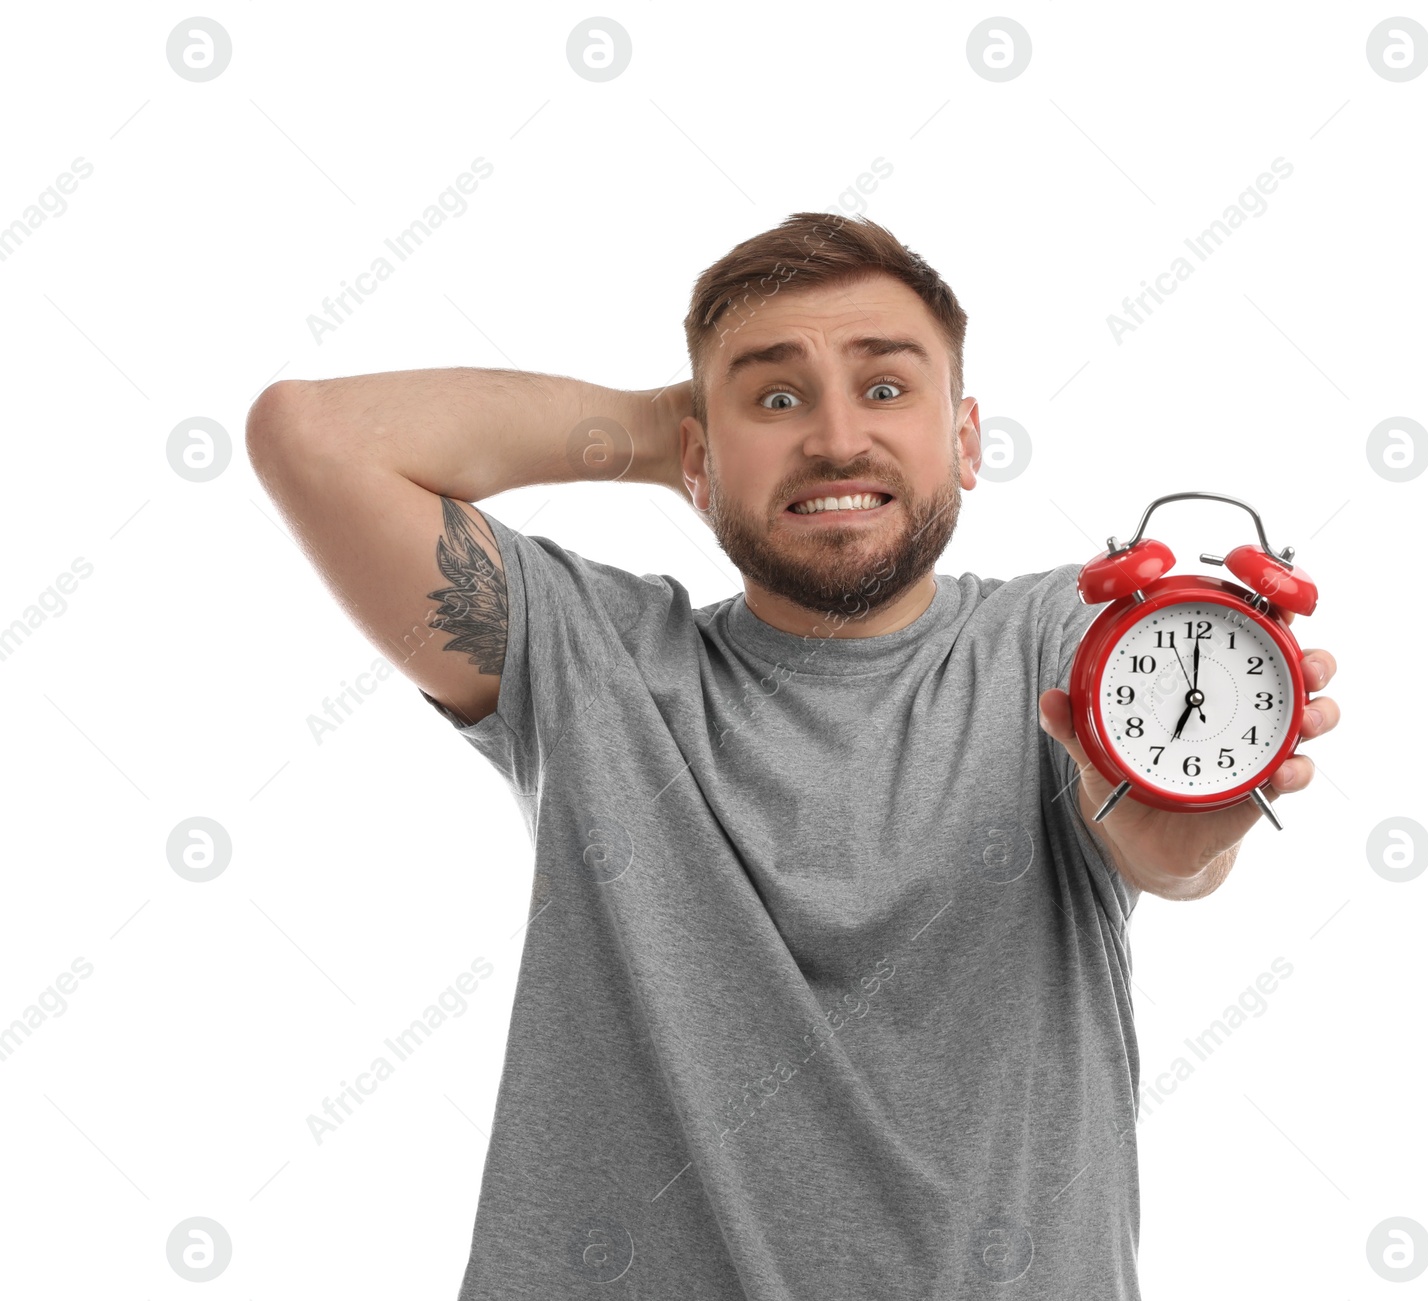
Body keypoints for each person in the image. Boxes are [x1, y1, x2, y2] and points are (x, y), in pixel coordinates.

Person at [247, 211, 1340, 1300]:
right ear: (696, 451)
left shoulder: (1059, 642)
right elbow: (312, 435)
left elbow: (1169, 845)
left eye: (884, 388)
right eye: (775, 396)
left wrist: (1176, 846)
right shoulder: (591, 657)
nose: (833, 439)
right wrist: (664, 431)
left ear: (965, 439)